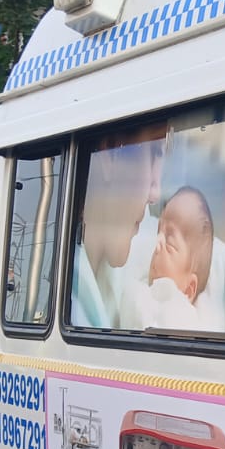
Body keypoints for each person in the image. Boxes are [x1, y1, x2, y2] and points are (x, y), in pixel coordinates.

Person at [71, 127, 167, 328]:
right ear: (111, 154)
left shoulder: (137, 236)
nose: (155, 194)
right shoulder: (63, 295)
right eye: (154, 153)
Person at [118, 186, 216, 330]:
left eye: (169, 243)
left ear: (188, 289)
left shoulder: (184, 319)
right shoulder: (139, 287)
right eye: (159, 232)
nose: (157, 242)